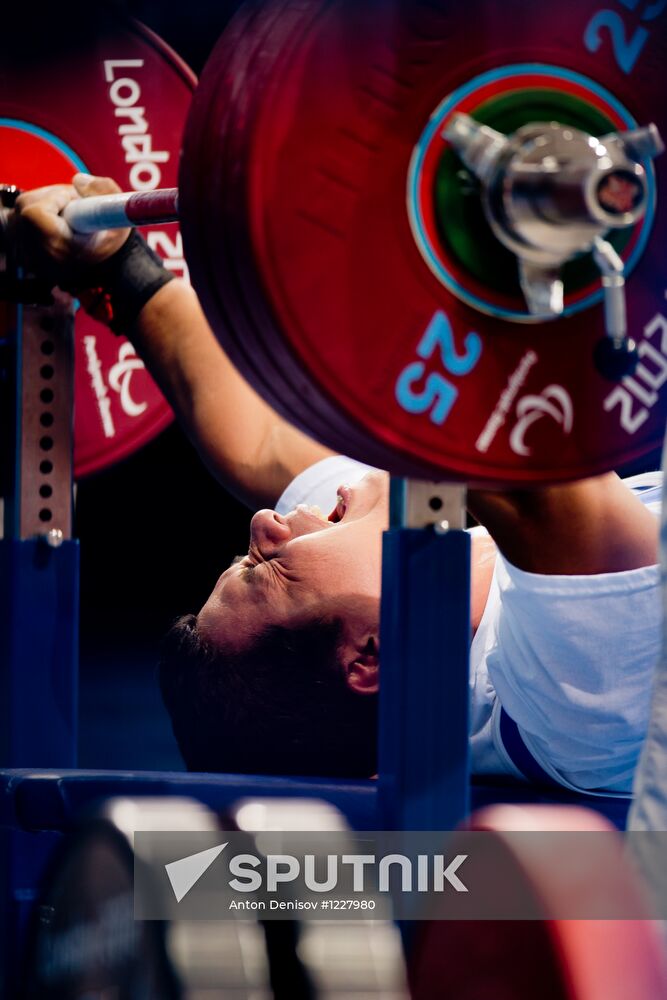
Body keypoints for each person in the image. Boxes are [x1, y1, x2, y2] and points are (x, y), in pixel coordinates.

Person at [15, 175, 662, 791]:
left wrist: (116, 265)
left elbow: (256, 442)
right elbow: (511, 441)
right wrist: (425, 202)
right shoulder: (575, 702)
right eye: (265, 568)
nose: (263, 522)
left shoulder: (413, 573)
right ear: (371, 657)